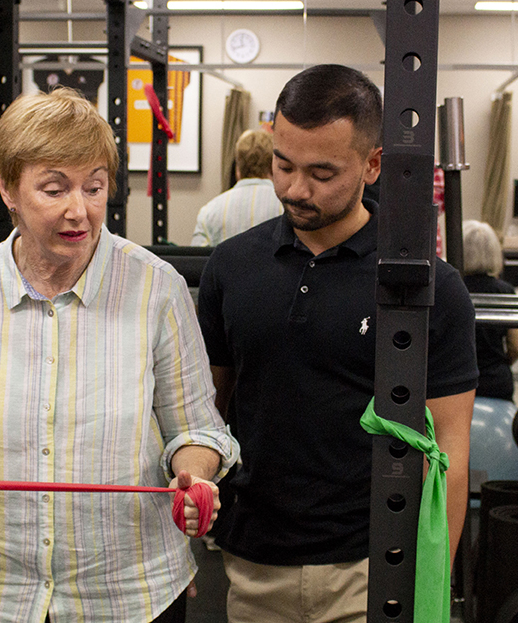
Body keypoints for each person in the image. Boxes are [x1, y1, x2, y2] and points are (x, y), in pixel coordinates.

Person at [0, 88, 239, 623]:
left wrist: (195, 475)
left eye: (94, 187)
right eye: (54, 189)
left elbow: (196, 428)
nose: (78, 210)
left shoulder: (157, 288)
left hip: (128, 593)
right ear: (9, 188)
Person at [196, 64, 478, 623]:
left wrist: (426, 581)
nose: (294, 189)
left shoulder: (429, 286)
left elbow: (451, 453)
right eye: (283, 165)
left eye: (322, 173)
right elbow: (210, 411)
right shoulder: (231, 267)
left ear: (373, 165)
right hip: (254, 561)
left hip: (371, 563)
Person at [462, 219, 518, 401]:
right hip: (495, 382)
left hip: (456, 381)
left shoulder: (449, 288)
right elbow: (517, 347)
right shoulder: (505, 291)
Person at [191, 128, 282, 246]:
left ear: (237, 169)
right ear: (272, 166)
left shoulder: (209, 212)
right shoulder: (286, 207)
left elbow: (199, 261)